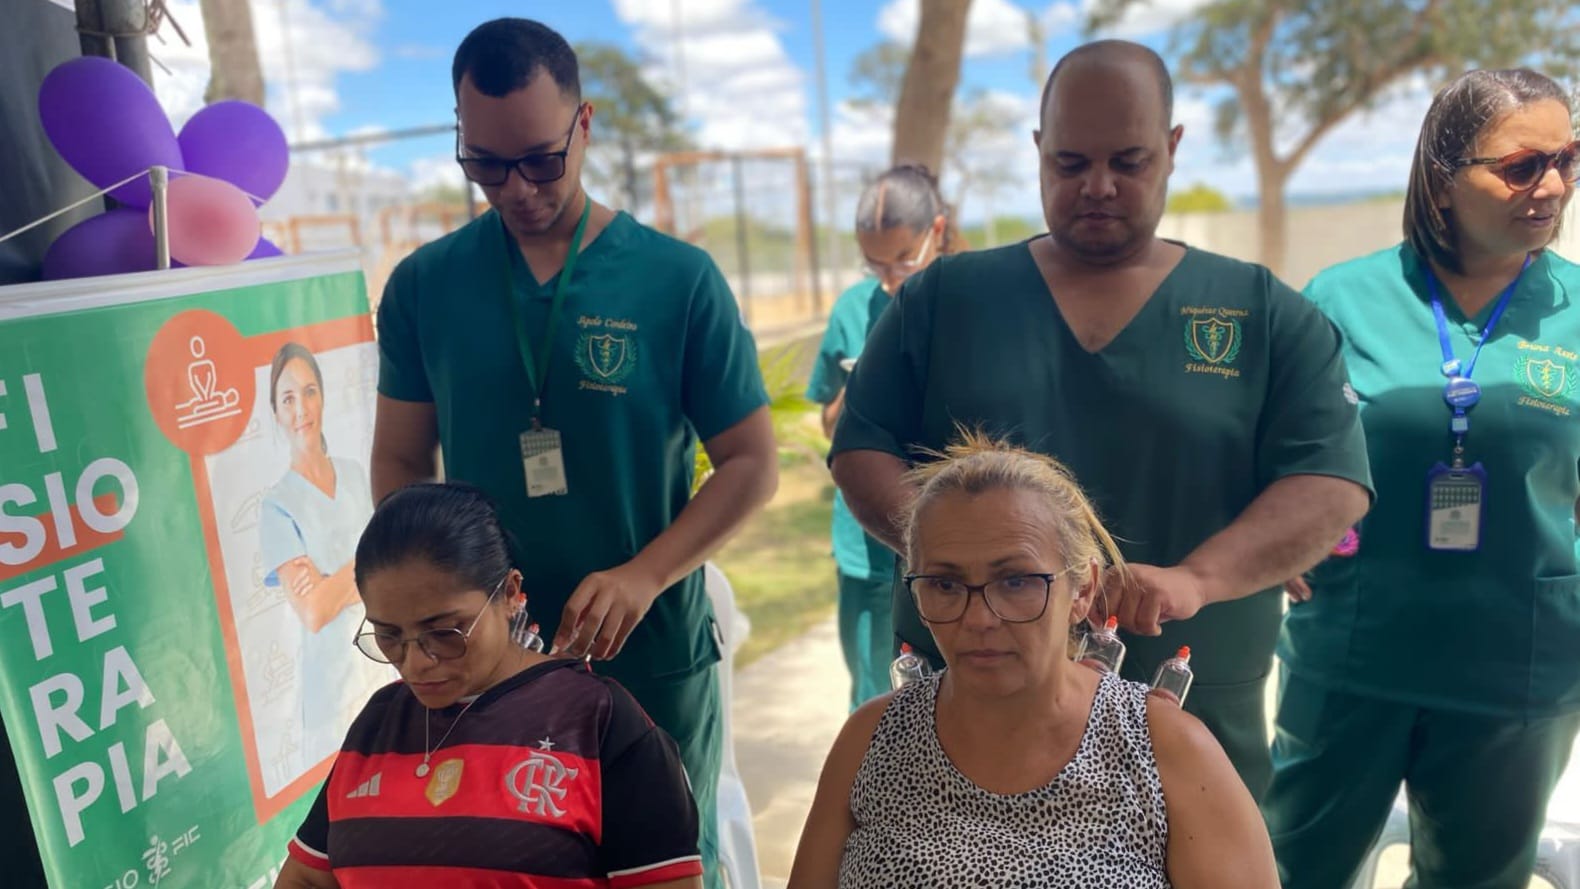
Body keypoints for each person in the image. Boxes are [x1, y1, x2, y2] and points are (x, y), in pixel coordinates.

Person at [827, 38, 1374, 799]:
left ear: (1173, 148)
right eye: (1070, 163)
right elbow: (861, 449)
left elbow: (1330, 481)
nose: (1098, 186)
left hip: (1189, 694)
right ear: (1038, 150)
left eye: (1129, 161)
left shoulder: (1261, 314)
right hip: (968, 704)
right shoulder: (944, 301)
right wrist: (971, 566)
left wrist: (1197, 578)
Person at [368, 19, 777, 886]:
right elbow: (400, 463)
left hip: (645, 646)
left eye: (541, 160)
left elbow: (751, 463)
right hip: (484, 655)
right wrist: (434, 613)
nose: (517, 189)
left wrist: (646, 574)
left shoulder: (676, 280)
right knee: (503, 861)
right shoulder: (424, 287)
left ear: (584, 126)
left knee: (661, 860)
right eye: (486, 165)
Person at [1264, 69, 1580, 889]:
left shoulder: (1576, 309)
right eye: (1522, 166)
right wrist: (1272, 526)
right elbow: (1271, 446)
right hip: (1354, 652)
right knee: (1293, 870)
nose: (1552, 186)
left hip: (1519, 664)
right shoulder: (1342, 298)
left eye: (1568, 158)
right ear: (1442, 180)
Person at [787, 434, 1278, 887]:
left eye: (1017, 582)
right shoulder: (875, 739)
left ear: (1082, 590)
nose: (979, 618)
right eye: (945, 584)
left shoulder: (1165, 750)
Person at [273, 483, 704, 889]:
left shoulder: (600, 725)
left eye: (445, 631)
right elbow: (306, 879)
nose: (416, 663)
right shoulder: (380, 722)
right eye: (389, 635)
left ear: (510, 593)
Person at [807, 165, 950, 710]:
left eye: (904, 259)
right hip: (867, 539)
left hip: (952, 534)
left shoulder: (963, 303)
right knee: (874, 696)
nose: (890, 279)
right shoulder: (853, 308)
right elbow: (829, 425)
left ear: (937, 232)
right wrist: (860, 386)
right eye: (875, 263)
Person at [259, 342, 382, 762]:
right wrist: (369, 562)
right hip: (332, 694)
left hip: (384, 664)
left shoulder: (355, 474)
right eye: (287, 398)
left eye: (309, 392)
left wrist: (333, 580)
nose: (301, 409)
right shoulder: (277, 506)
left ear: (323, 397)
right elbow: (313, 611)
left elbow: (393, 565)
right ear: (275, 412)